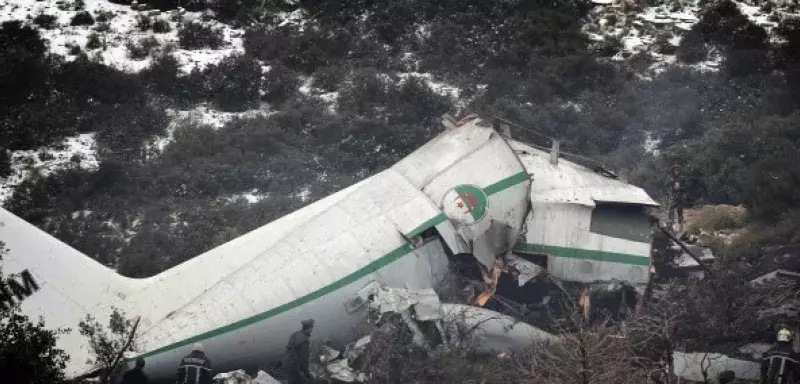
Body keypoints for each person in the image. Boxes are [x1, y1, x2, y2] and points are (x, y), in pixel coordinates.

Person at [284, 319, 314, 384]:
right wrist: (306, 372)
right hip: (295, 366)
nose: (312, 330)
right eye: (312, 328)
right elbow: (304, 358)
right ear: (309, 328)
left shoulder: (295, 334)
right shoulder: (304, 341)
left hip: (287, 363)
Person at [667, 165, 686, 233]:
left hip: (680, 197)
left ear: (679, 171)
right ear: (673, 171)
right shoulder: (671, 178)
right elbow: (668, 186)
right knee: (671, 211)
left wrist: (679, 187)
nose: (676, 172)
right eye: (675, 170)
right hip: (673, 197)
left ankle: (681, 227)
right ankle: (670, 226)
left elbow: (685, 188)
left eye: (677, 170)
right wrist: (672, 184)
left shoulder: (682, 179)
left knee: (680, 211)